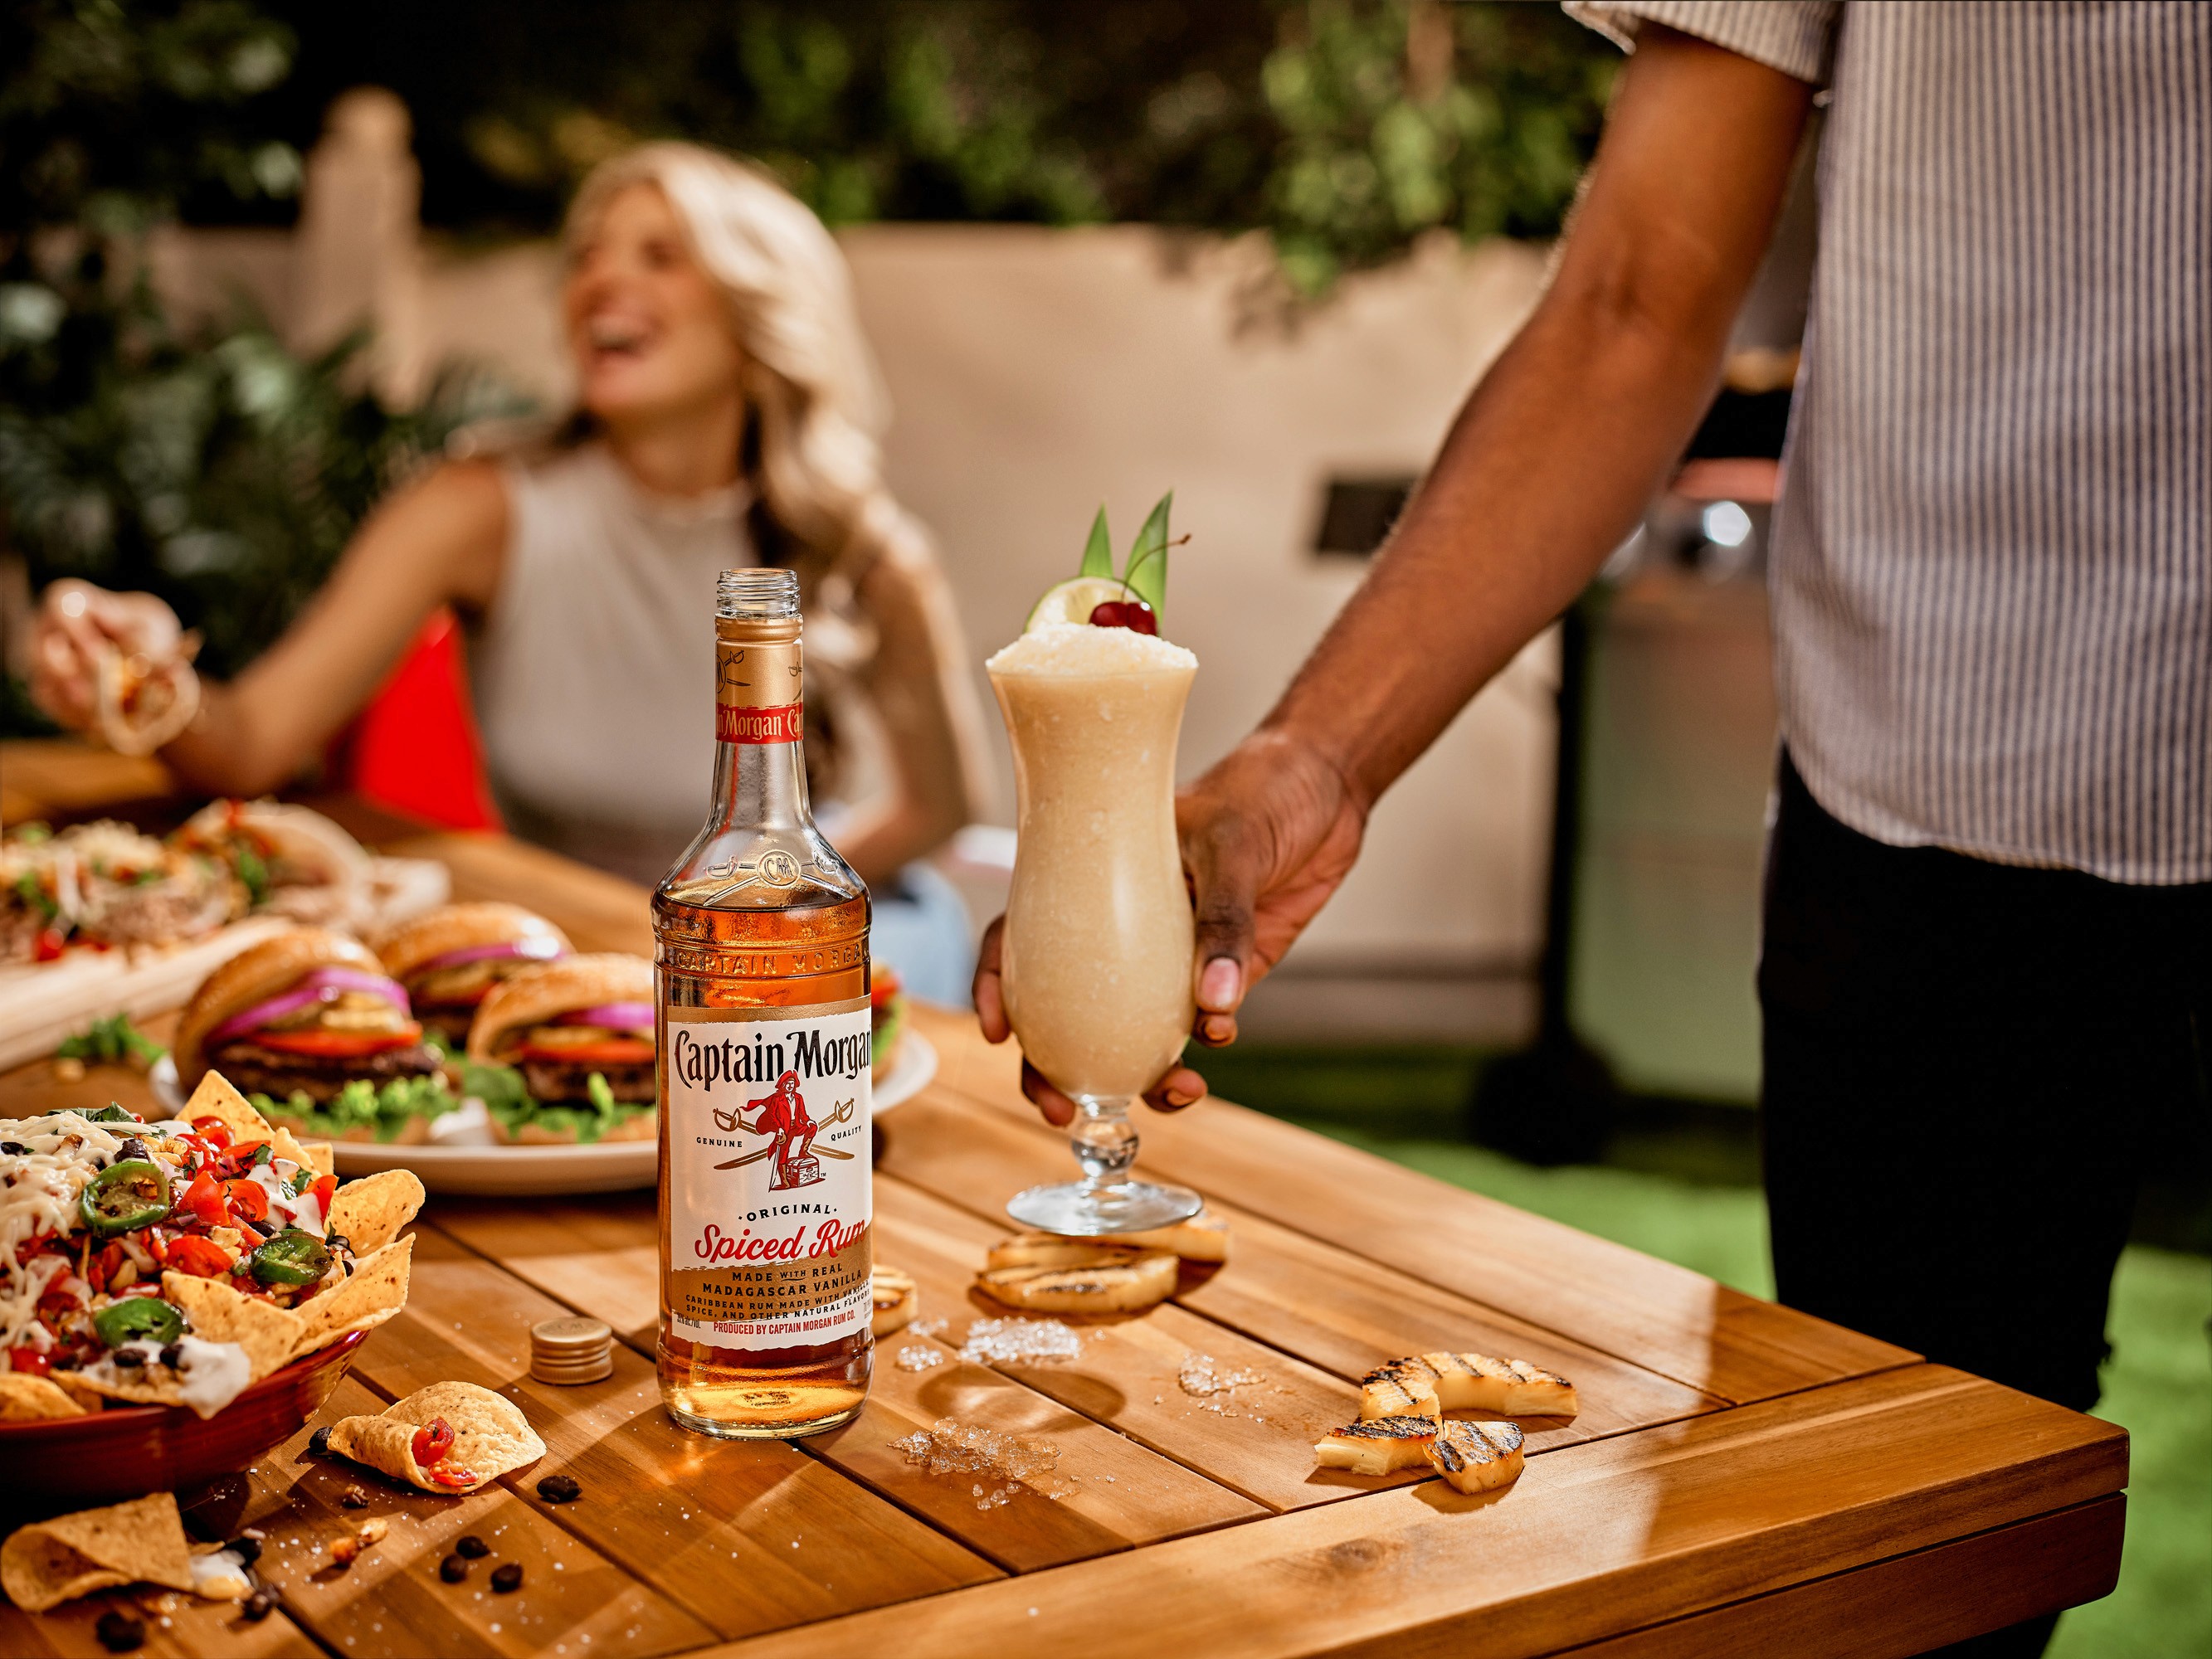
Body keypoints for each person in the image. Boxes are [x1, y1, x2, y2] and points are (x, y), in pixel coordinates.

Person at [977, 9, 2207, 1653]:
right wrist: (1314, 761)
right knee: (1905, 1578)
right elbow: (1638, 284)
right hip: (1941, 759)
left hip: (1947, 744)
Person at [32, 142, 991, 1002]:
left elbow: (939, 804)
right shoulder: (479, 507)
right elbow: (249, 744)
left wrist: (759, 907)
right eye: (588, 255)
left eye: (659, 255)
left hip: (799, 948)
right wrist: (141, 676)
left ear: (757, 313)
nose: (598, 280)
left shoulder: (865, 551)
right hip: (572, 956)